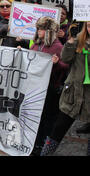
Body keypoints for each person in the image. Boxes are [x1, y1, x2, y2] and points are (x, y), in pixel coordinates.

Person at [40, 21, 90, 156]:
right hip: (74, 94)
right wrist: (71, 41)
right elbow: (66, 58)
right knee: (59, 128)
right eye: (89, 26)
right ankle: (45, 153)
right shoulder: (79, 41)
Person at [30, 17, 69, 156]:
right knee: (38, 117)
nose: (39, 31)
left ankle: (43, 146)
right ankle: (36, 143)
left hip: (51, 88)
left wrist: (57, 63)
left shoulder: (57, 46)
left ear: (48, 31)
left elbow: (66, 65)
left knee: (47, 118)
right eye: (38, 28)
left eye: (41, 29)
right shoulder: (36, 44)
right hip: (37, 87)